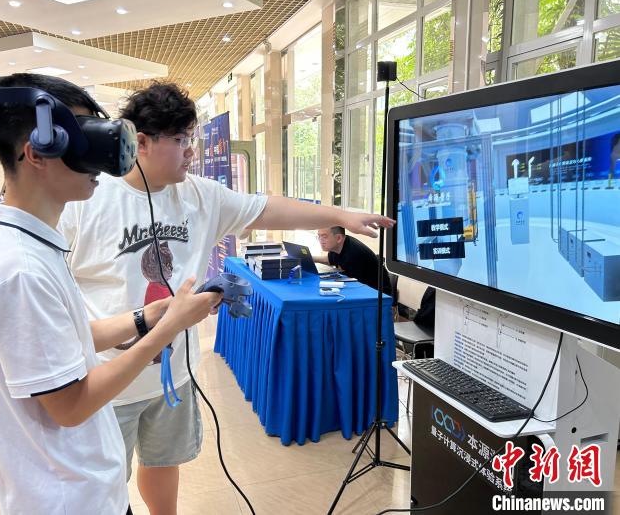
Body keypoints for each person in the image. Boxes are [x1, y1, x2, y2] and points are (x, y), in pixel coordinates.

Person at [59, 80, 395, 515]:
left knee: (163, 462)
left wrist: (340, 215)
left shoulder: (201, 195)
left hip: (174, 375)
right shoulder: (86, 198)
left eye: (192, 139)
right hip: (108, 380)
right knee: (103, 487)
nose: (191, 151)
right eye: (180, 140)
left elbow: (268, 207)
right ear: (140, 142)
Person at [0, 73, 221, 515]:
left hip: (87, 488)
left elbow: (71, 338)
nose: (102, 163)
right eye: (83, 140)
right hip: (68, 499)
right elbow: (71, 405)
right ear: (36, 154)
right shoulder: (19, 271)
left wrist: (147, 317)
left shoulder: (37, 247)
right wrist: (170, 329)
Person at [315, 226, 392, 295]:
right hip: (364, 289)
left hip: (378, 295)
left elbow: (352, 285)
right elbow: (329, 259)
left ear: (339, 238)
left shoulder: (353, 253)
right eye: (319, 236)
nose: (320, 240)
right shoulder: (339, 245)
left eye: (324, 237)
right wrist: (312, 258)